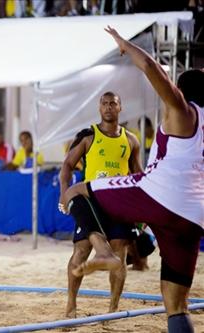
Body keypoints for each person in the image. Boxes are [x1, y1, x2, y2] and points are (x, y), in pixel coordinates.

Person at [61, 26, 203, 333]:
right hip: (193, 215)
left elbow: (153, 69)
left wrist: (126, 45)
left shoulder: (183, 112)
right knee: (176, 305)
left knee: (76, 190)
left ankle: (104, 253)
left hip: (159, 194)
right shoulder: (89, 135)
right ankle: (114, 255)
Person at [59, 91, 143, 318]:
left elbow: (138, 175)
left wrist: (141, 210)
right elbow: (67, 166)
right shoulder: (88, 136)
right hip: (91, 201)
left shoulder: (131, 140)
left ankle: (113, 309)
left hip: (119, 202)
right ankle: (71, 306)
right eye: (104, 104)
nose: (108, 107)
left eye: (113, 103)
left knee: (119, 252)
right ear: (99, 108)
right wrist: (63, 194)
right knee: (82, 250)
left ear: (120, 107)